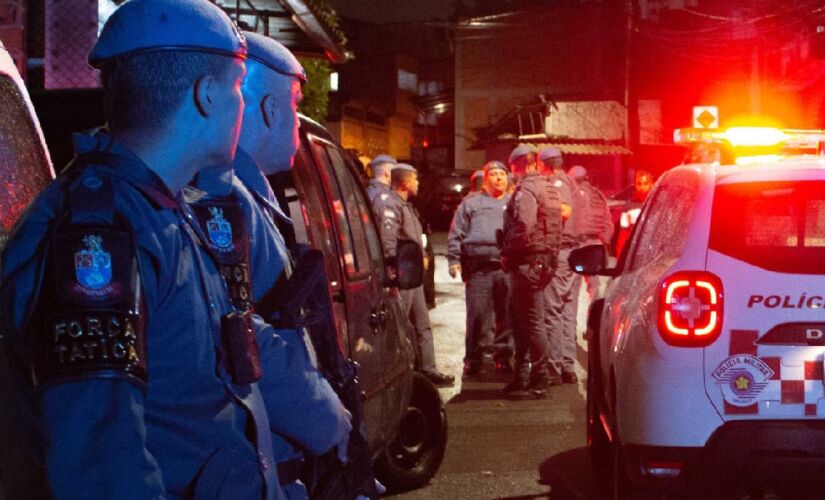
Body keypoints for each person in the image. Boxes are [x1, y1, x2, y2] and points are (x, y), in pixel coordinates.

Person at [0, 1, 283, 497]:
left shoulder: (163, 211)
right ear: (207, 95)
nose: (242, 105)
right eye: (238, 88)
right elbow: (106, 471)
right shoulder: (97, 237)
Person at [190, 32, 352, 499]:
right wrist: (327, 419)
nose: (299, 125)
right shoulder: (224, 199)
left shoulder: (245, 192)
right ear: (268, 109)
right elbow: (250, 334)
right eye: (295, 104)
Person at [376, 163, 455, 387]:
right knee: (401, 325)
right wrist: (394, 273)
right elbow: (388, 242)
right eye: (415, 179)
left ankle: (428, 370)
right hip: (403, 275)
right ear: (404, 182)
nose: (418, 183)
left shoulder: (405, 205)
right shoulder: (390, 205)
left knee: (422, 324)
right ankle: (400, 374)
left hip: (414, 276)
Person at [499, 144, 563, 400]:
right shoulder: (549, 187)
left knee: (531, 322)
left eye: (512, 168)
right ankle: (522, 376)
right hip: (544, 261)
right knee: (522, 320)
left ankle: (539, 377)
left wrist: (506, 252)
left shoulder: (526, 189)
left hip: (526, 262)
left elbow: (524, 226)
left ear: (517, 165)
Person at [447, 160, 512, 376]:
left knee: (506, 315)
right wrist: (454, 259)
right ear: (486, 180)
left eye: (502, 174)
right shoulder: (471, 203)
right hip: (479, 269)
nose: (498, 178)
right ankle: (474, 358)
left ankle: (503, 357)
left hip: (506, 268)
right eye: (493, 174)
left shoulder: (513, 203)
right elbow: (457, 232)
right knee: (477, 315)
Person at [538, 146, 578, 384]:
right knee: (565, 310)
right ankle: (567, 365)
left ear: (545, 165)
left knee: (552, 310)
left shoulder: (557, 184)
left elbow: (564, 211)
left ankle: (553, 368)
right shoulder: (573, 182)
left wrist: (540, 209)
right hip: (573, 252)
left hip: (562, 251)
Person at [568, 165, 613, 300]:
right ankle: (593, 315)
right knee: (594, 287)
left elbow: (571, 221)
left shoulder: (573, 194)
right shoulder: (598, 195)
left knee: (570, 287)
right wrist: (603, 243)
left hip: (577, 245)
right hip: (596, 245)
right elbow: (608, 224)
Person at [613, 169, 653, 257]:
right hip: (635, 253)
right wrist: (620, 258)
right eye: (639, 184)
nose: (642, 187)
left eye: (645, 183)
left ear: (651, 184)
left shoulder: (657, 203)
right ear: (635, 185)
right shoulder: (629, 206)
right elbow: (622, 236)